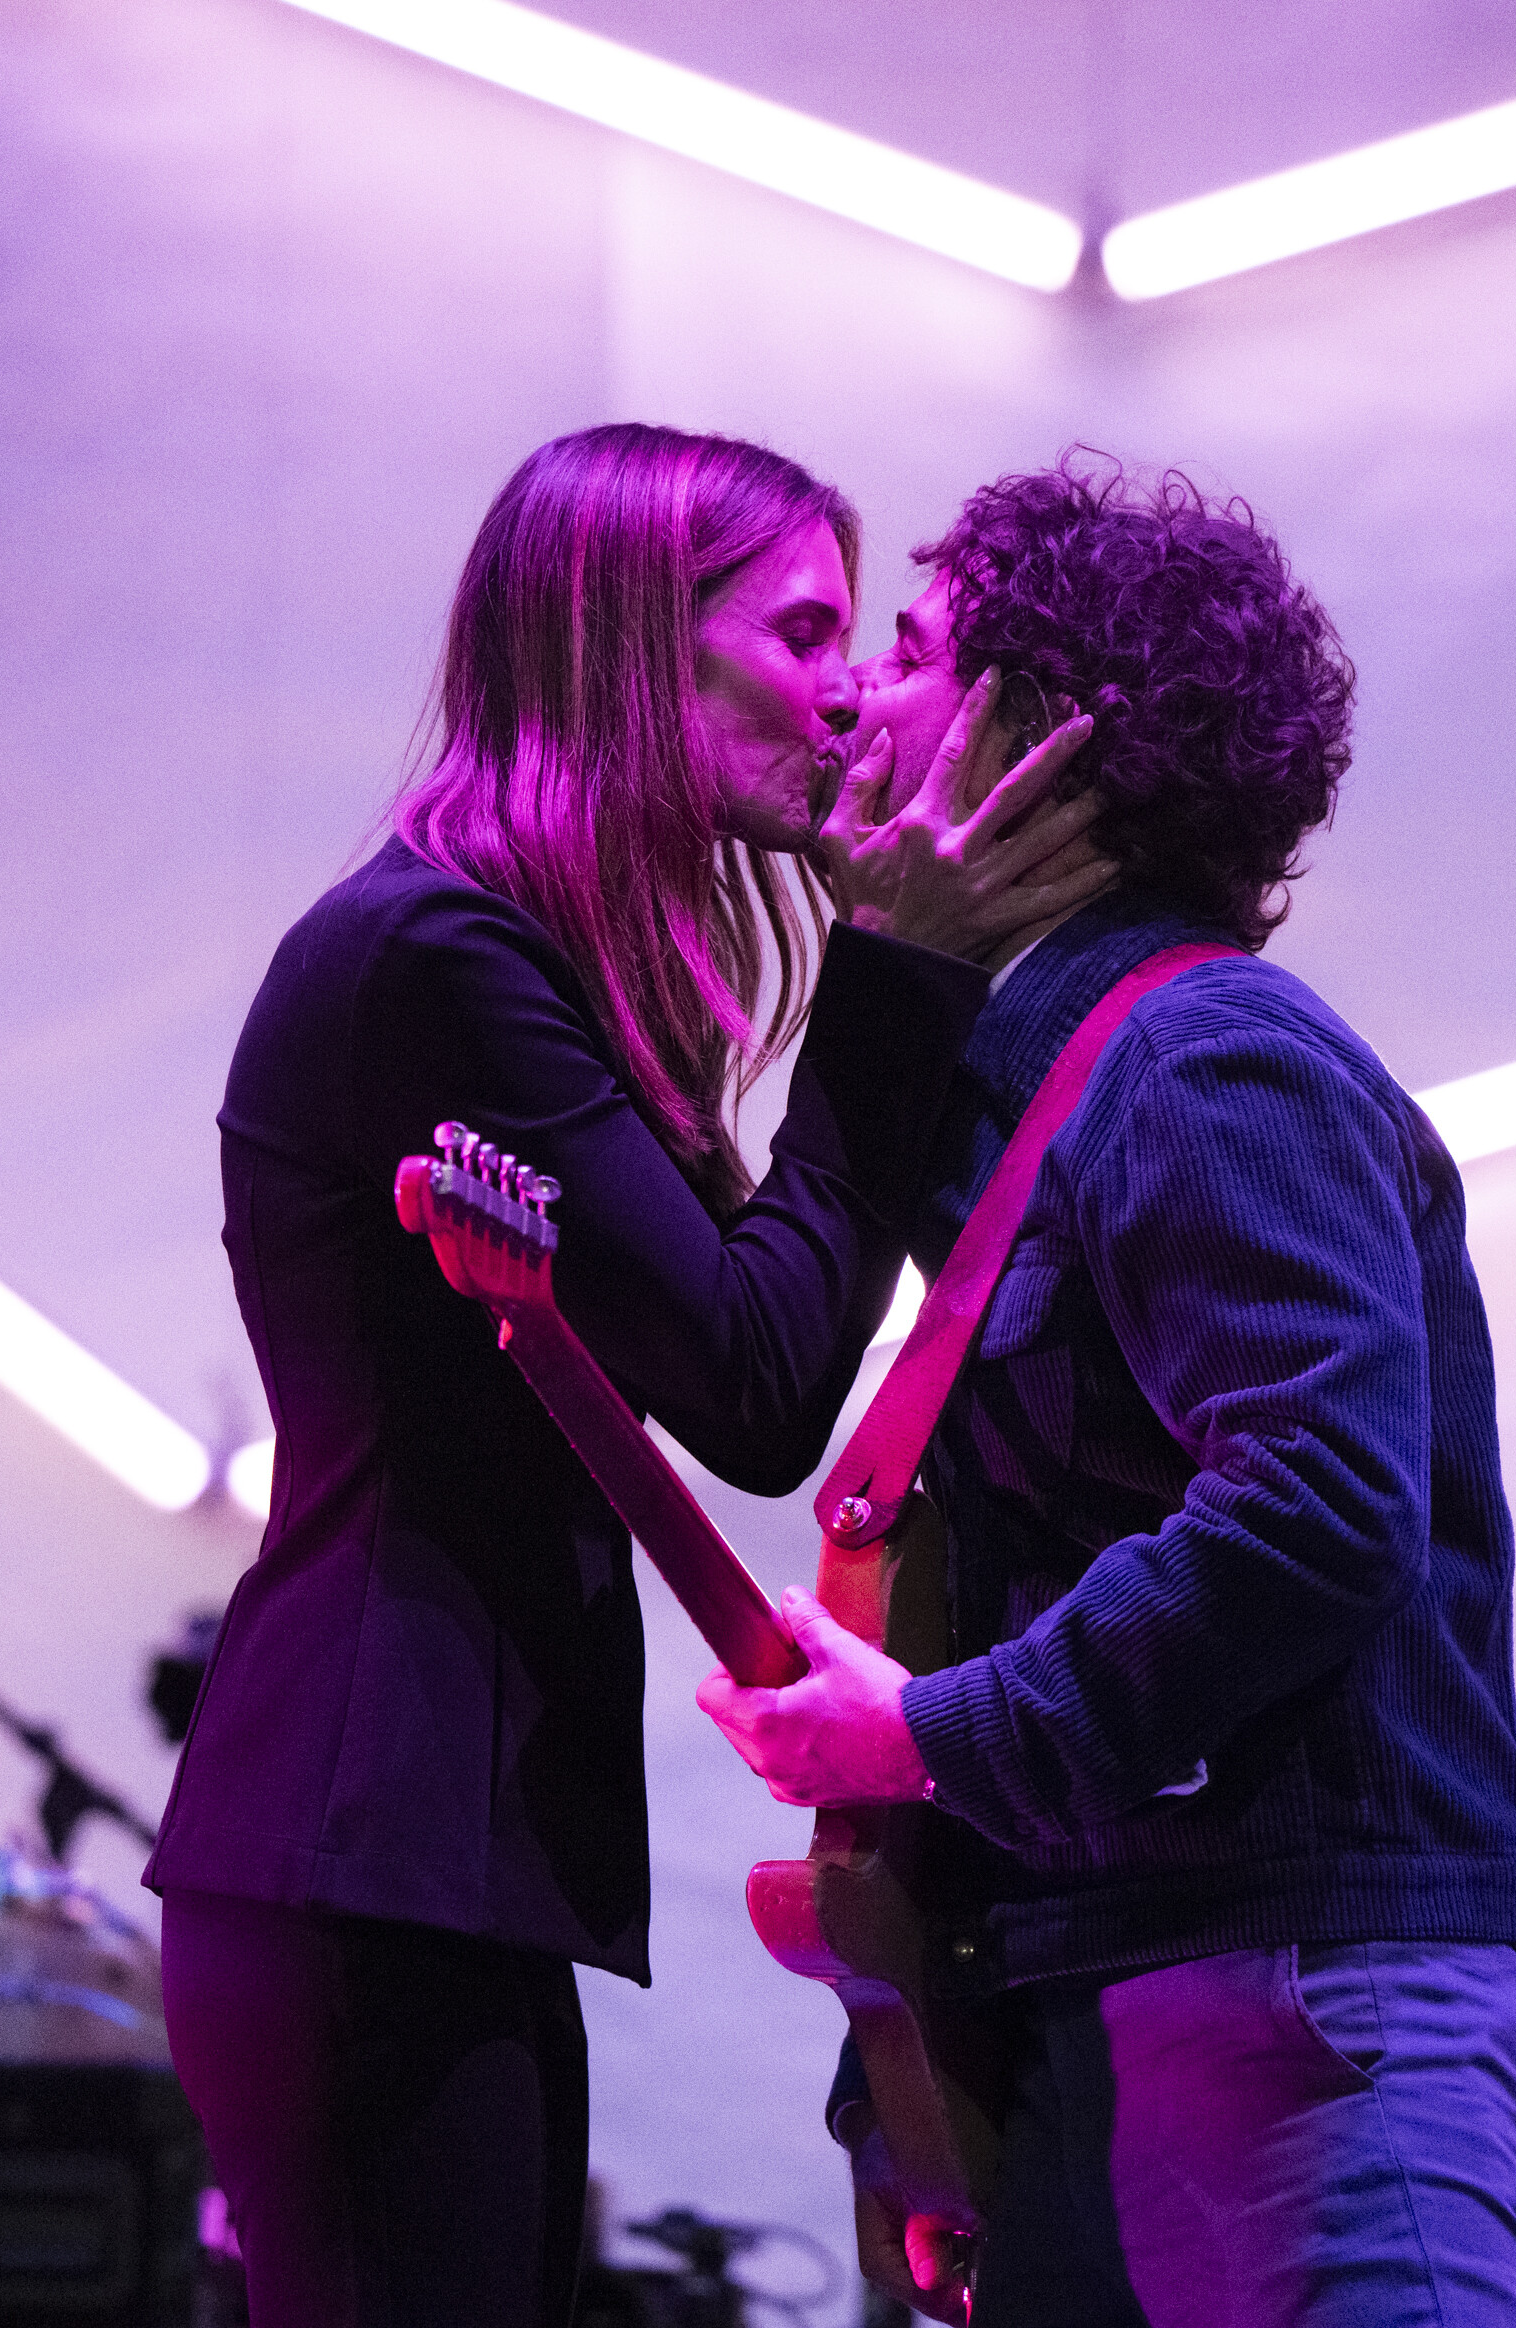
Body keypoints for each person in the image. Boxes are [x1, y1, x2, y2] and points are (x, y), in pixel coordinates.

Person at [145, 423, 1112, 2327]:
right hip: (369, 1840)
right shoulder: (439, 956)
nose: (849, 697)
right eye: (804, 633)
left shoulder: (512, 957)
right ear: (633, 650)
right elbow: (756, 1379)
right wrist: (894, 972)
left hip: (420, 1846)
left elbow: (768, 1333)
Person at [700, 456, 1516, 2328]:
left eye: (909, 652)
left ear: (1029, 740)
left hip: (1300, 1994)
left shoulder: (1196, 1055)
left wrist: (931, 1734)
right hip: (1164, 1984)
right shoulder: (1075, 1071)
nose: (852, 699)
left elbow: (1318, 1506)